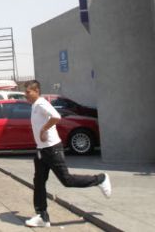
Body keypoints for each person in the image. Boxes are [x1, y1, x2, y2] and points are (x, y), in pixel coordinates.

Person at [24, 80, 111, 228]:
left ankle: (100, 179)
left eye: (28, 92)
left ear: (36, 91)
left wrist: (44, 130)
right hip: (41, 150)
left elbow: (56, 116)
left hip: (52, 149)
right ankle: (42, 216)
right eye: (25, 92)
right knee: (38, 182)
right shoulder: (34, 106)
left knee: (66, 180)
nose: (26, 95)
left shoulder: (41, 103)